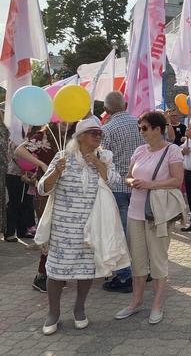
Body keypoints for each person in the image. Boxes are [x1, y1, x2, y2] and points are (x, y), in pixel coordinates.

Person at [36, 116, 127, 335]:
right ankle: (53, 313)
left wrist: (97, 163)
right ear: (80, 136)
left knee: (86, 271)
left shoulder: (104, 157)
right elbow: (42, 188)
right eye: (94, 133)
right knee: (57, 272)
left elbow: (115, 181)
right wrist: (57, 171)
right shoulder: (63, 156)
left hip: (91, 227)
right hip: (63, 228)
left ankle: (79, 308)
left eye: (100, 133)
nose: (98, 136)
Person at [115, 111, 185, 325]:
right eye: (140, 128)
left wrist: (150, 185)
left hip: (158, 214)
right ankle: (135, 302)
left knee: (157, 260)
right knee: (137, 260)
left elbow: (177, 180)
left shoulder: (172, 150)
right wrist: (131, 182)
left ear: (157, 129)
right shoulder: (139, 151)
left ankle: (157, 304)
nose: (141, 132)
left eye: (144, 128)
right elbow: (128, 175)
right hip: (135, 212)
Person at [13, 122, 74, 292]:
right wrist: (40, 164)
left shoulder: (73, 136)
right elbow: (19, 150)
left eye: (67, 120)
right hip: (46, 190)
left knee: (61, 232)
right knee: (48, 230)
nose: (64, 123)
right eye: (61, 119)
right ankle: (42, 275)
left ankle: (56, 273)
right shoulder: (43, 135)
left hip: (66, 192)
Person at [100, 91, 144, 294]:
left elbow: (102, 160)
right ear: (125, 105)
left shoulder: (106, 129)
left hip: (117, 187)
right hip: (139, 184)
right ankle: (144, 269)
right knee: (139, 230)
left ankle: (125, 275)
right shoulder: (141, 124)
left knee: (120, 232)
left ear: (107, 110)